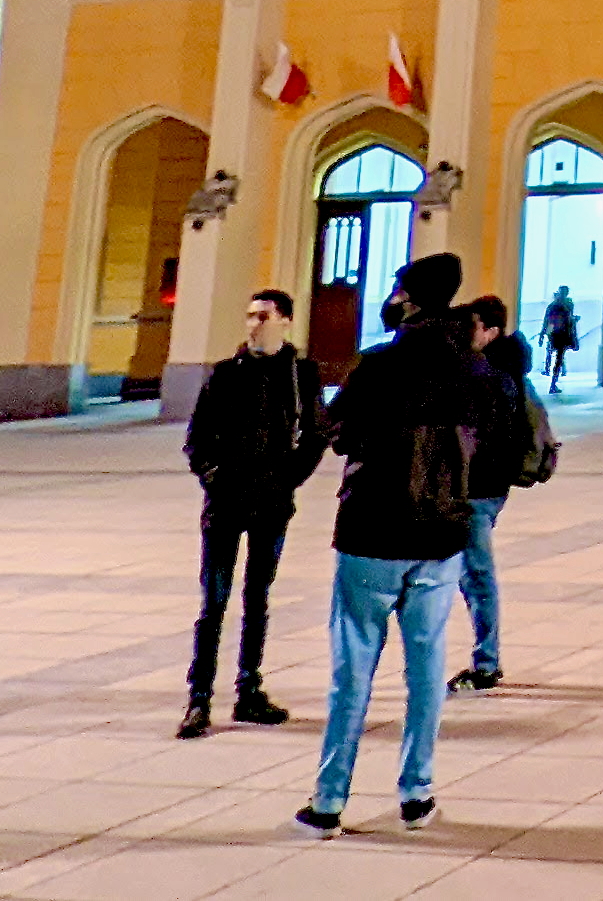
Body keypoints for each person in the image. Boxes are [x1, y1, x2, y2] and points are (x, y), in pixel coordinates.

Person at [295, 252, 479, 839]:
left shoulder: (378, 364)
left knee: (352, 670)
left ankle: (329, 801)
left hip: (372, 531)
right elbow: (491, 440)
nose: (392, 299)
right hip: (441, 536)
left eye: (399, 290)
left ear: (412, 299)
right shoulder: (471, 368)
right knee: (426, 667)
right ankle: (416, 794)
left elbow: (336, 431)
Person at [178, 288, 325, 739]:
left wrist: (288, 480)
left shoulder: (302, 375)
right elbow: (196, 440)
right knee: (213, 603)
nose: (253, 324)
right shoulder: (225, 374)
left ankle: (249, 689)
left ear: (285, 321)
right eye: (249, 316)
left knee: (257, 598)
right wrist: (214, 477)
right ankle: (199, 699)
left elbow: (317, 434)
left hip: (272, 505)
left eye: (263, 316)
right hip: (224, 505)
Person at [450, 294, 533, 696]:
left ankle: (486, 662)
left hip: (479, 487)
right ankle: (486, 657)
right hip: (487, 486)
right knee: (470, 573)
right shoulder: (505, 367)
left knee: (476, 573)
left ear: (492, 331)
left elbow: (484, 435)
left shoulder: (493, 375)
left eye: (473, 327)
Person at [539, 284, 579, 395]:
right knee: (559, 358)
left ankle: (551, 378)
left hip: (554, 334)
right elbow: (569, 320)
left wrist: (542, 335)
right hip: (562, 334)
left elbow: (546, 320)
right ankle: (553, 383)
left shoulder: (554, 305)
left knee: (555, 355)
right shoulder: (567, 305)